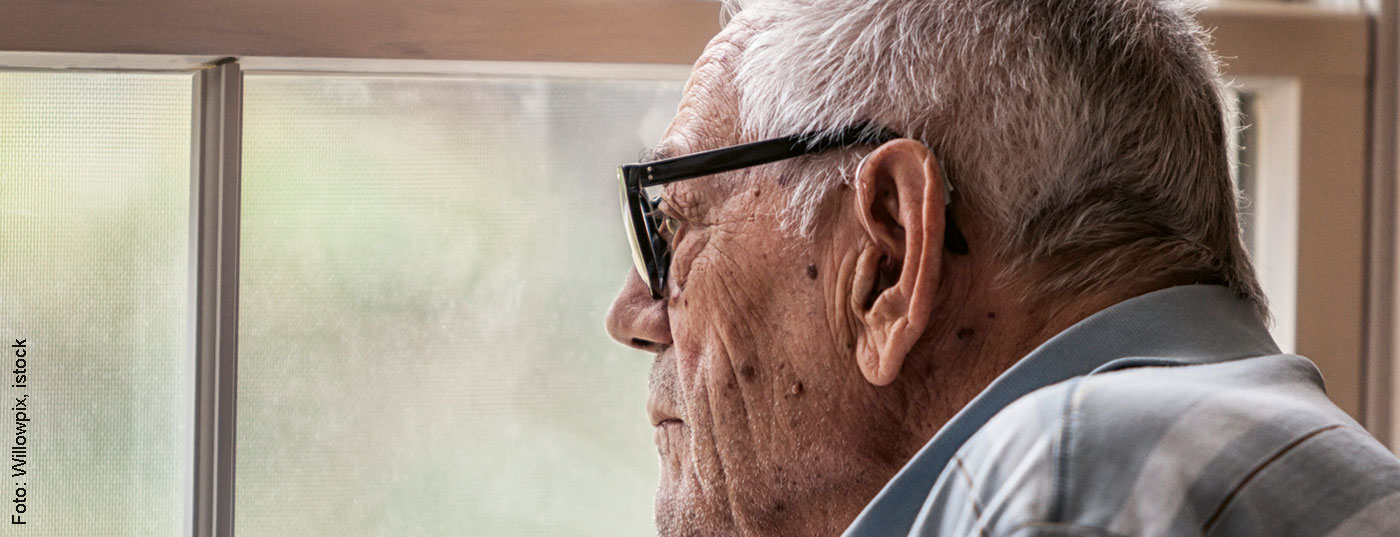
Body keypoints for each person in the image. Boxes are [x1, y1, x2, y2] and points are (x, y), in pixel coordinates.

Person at [604, 0, 1400, 535]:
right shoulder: (1263, 460)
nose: (633, 312)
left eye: (676, 223)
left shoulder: (1066, 484)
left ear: (888, 257)